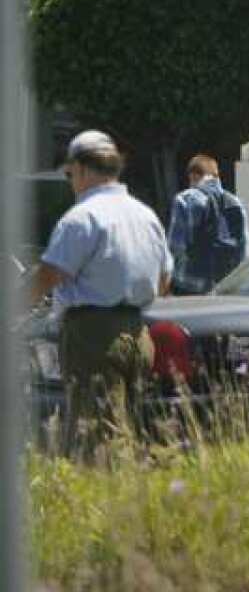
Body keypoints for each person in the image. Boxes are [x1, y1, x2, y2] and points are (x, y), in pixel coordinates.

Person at [25, 130, 173, 457]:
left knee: (97, 437)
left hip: (93, 337)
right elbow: (164, 280)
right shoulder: (145, 215)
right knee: (130, 428)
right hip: (139, 334)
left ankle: (107, 501)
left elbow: (50, 274)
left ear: (80, 168)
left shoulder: (83, 217)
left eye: (68, 174)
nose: (70, 181)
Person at [167, 154, 249, 295]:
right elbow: (244, 251)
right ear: (217, 176)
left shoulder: (185, 199)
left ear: (193, 176)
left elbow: (176, 246)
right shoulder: (236, 203)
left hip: (189, 286)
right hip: (224, 287)